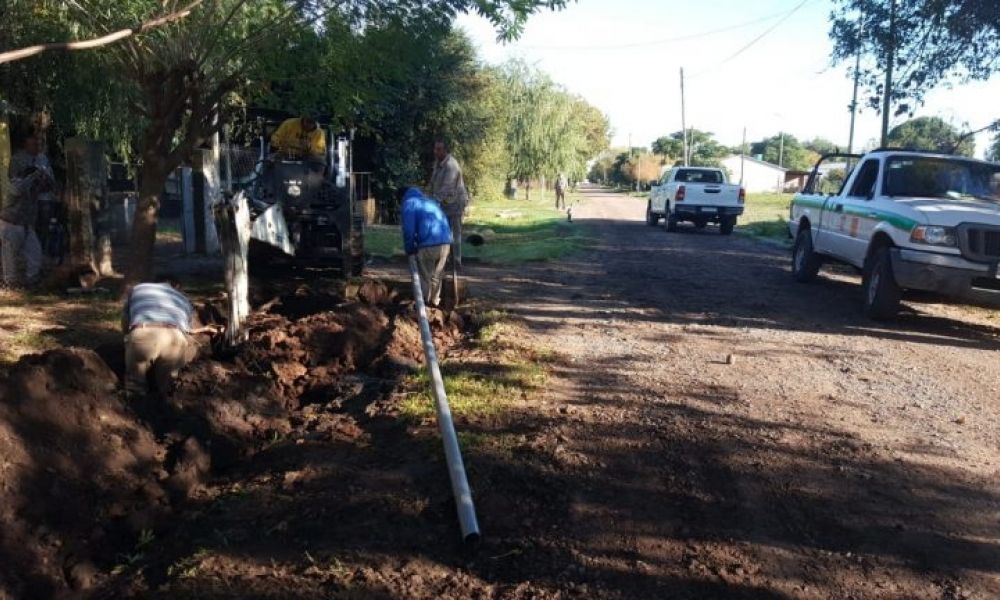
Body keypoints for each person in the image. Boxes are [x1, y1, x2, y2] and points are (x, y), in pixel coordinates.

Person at [122, 277, 220, 396]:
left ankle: (133, 405)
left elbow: (126, 318)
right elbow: (187, 328)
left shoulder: (138, 289)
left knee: (135, 385)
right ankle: (166, 408)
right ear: (176, 287)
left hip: (144, 332)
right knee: (169, 388)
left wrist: (127, 337)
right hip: (174, 337)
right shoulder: (183, 299)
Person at [1, 125, 52, 287]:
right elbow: (18, 189)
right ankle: (10, 283)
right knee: (9, 255)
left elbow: (50, 184)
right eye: (33, 143)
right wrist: (34, 176)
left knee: (35, 253)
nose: (37, 146)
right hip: (11, 222)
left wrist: (43, 178)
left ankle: (32, 280)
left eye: (39, 143)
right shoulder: (14, 181)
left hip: (27, 222)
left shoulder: (42, 161)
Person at [400, 187, 453, 307]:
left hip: (429, 244)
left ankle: (423, 304)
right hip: (446, 243)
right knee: (437, 276)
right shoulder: (430, 201)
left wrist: (410, 249)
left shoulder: (410, 204)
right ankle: (434, 303)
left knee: (425, 276)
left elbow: (408, 230)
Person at [429, 140, 469, 266]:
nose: (436, 152)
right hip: (445, 203)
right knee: (444, 231)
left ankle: (456, 261)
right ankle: (444, 259)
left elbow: (447, 187)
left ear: (445, 150)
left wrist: (434, 201)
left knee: (455, 233)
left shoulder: (451, 165)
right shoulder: (438, 163)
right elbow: (433, 182)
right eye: (435, 149)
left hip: (456, 202)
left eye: (439, 149)